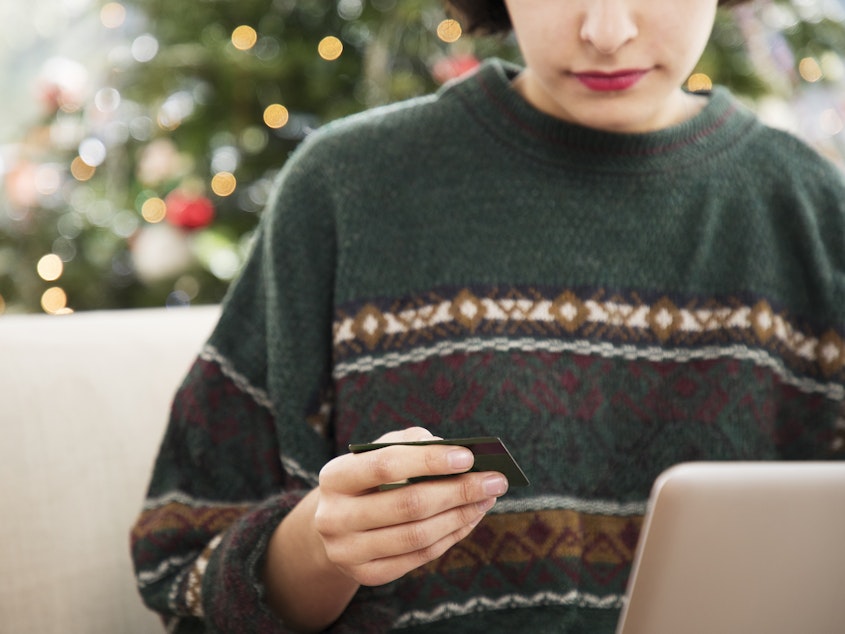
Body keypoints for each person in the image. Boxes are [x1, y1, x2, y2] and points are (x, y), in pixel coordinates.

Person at [130, 0, 845, 631]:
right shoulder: (347, 190)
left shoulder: (811, 213)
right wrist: (322, 545)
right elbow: (185, 563)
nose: (605, 31)